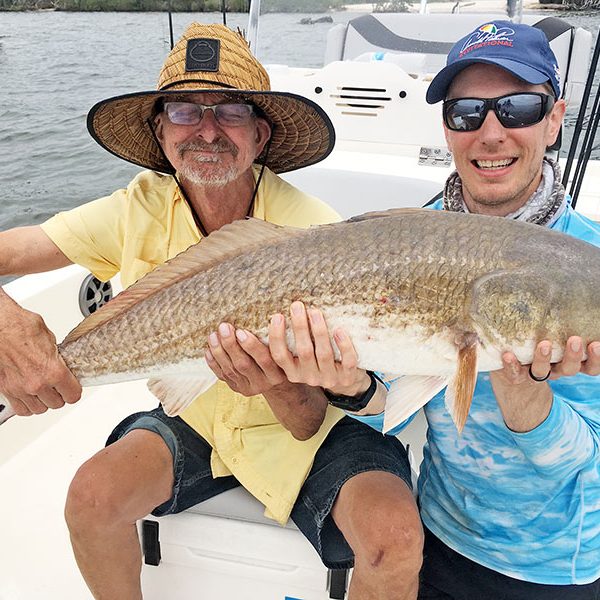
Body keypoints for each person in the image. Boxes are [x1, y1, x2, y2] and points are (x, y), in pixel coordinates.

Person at [0, 23, 423, 600]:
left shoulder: (315, 232)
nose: (206, 129)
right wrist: (8, 320)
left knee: (394, 537)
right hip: (198, 415)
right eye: (183, 111)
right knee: (91, 498)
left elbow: (307, 419)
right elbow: (10, 252)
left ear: (260, 133)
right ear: (160, 131)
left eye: (229, 111)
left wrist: (274, 385)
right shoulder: (134, 207)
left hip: (310, 426)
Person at [263, 20, 600, 599]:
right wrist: (346, 389)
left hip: (554, 566)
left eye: (517, 108)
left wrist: (526, 402)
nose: (490, 132)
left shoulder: (586, 268)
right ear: (447, 128)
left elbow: (585, 472)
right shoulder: (407, 235)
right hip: (437, 535)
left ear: (554, 118)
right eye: (466, 112)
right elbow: (392, 404)